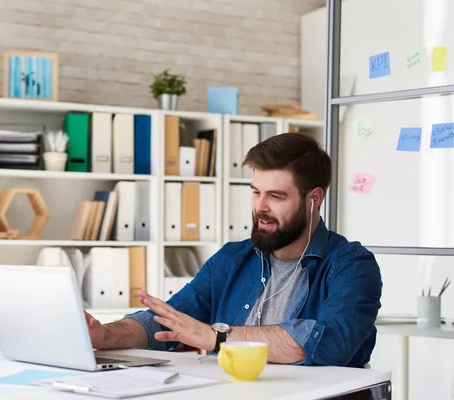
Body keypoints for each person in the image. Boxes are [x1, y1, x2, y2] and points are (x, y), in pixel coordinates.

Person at [84, 132, 382, 368]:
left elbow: (331, 343)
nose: (260, 208)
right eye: (255, 192)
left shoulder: (352, 266)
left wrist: (218, 337)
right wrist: (102, 335)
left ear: (313, 199)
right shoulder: (231, 258)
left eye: (275, 196)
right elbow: (168, 322)